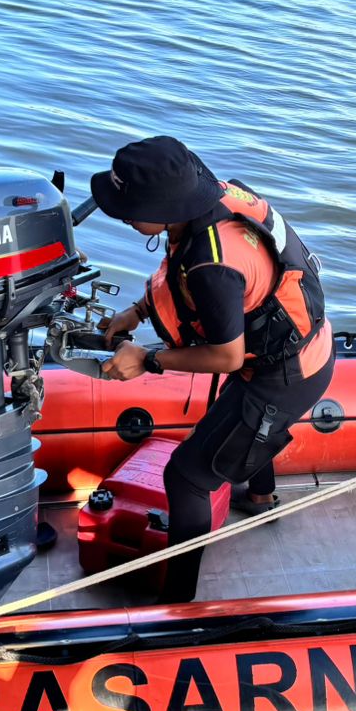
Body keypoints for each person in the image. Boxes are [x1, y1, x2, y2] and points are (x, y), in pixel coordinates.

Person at [92, 136, 335, 603]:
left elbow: (225, 356)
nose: (123, 217)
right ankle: (260, 497)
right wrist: (138, 312)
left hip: (286, 374)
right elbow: (184, 282)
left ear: (164, 207)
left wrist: (147, 360)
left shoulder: (211, 263)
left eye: (127, 210)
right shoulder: (209, 202)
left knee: (185, 476)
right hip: (293, 349)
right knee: (237, 419)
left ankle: (178, 600)